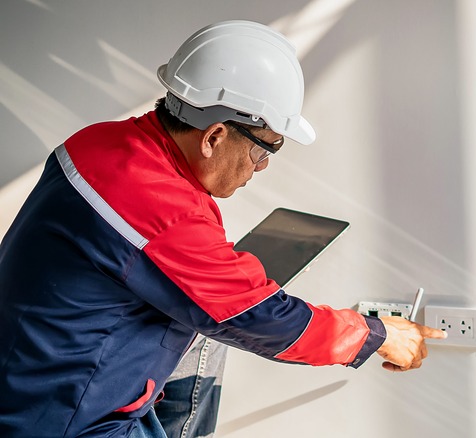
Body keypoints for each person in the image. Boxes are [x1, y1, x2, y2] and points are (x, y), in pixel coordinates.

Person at [0, 20, 445, 438]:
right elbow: (259, 320)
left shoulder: (101, 141)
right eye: (264, 149)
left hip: (36, 379)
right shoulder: (160, 206)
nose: (263, 165)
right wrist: (376, 335)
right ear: (214, 136)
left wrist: (223, 277)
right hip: (69, 418)